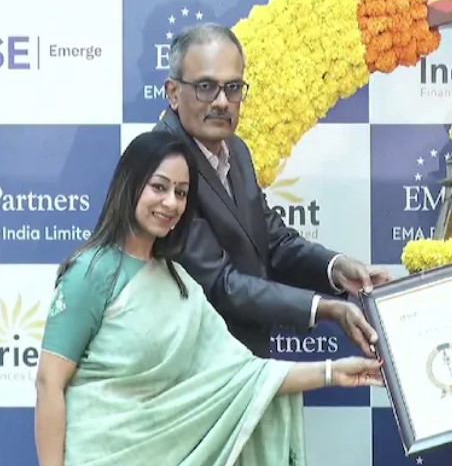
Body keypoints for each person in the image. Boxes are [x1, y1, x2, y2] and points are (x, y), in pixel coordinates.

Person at [34, 131, 383, 466]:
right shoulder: (90, 273)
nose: (171, 203)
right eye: (159, 187)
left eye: (182, 192)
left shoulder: (179, 281)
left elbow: (244, 378)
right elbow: (49, 383)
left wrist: (333, 372)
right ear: (130, 185)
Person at [153, 23, 388, 358]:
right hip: (189, 369)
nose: (222, 102)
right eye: (206, 87)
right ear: (173, 92)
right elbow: (220, 285)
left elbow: (274, 241)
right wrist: (324, 308)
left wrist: (336, 268)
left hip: (243, 363)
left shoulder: (236, 150)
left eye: (233, 88)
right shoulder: (162, 162)